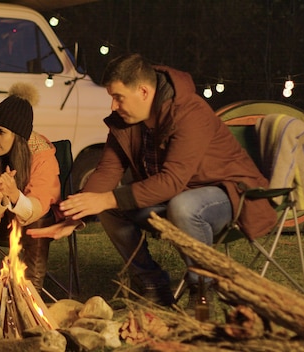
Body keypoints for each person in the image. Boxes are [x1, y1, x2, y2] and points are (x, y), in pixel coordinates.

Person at [27, 53, 277, 309]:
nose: (113, 106)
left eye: (118, 97)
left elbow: (172, 181)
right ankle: (154, 286)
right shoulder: (127, 121)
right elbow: (107, 170)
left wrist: (107, 198)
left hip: (229, 192)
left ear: (144, 92)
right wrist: (75, 217)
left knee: (183, 205)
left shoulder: (190, 112)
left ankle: (201, 290)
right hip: (173, 196)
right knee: (111, 209)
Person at [0, 82, 61, 293]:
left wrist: (14, 196)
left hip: (31, 220)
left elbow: (39, 206)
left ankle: (30, 295)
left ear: (17, 136)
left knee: (39, 221)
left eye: (1, 131)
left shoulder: (42, 156)